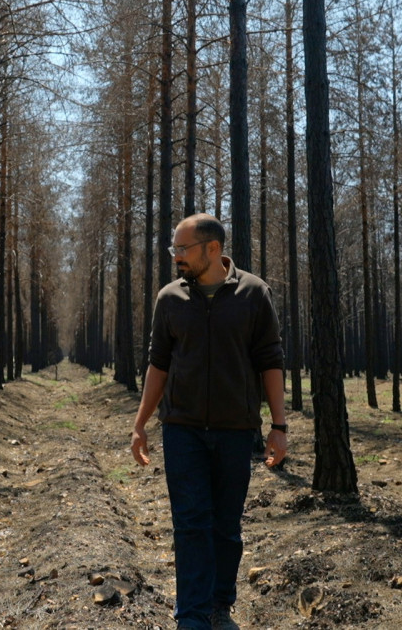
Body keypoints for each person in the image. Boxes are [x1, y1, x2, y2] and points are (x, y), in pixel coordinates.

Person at [131, 214, 287, 630]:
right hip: (182, 430)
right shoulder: (170, 299)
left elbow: (270, 361)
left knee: (226, 526)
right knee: (191, 523)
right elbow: (158, 365)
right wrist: (141, 423)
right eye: (174, 250)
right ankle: (193, 615)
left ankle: (220, 605)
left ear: (212, 249)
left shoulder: (254, 294)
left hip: (236, 430)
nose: (176, 257)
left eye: (183, 249)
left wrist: (279, 425)